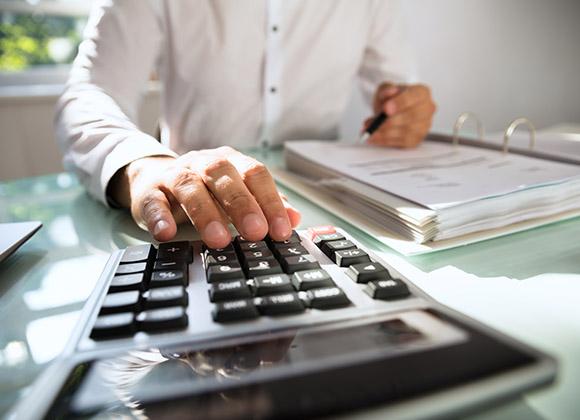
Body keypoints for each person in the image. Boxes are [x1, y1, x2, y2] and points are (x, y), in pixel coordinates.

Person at [55, 0, 436, 249]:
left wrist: (406, 113)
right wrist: (138, 166)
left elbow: (399, 93)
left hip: (333, 213)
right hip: (188, 212)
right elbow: (89, 93)